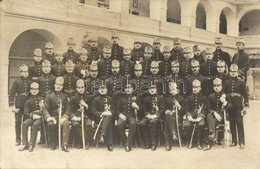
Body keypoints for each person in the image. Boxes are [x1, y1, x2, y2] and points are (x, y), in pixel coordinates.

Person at [223, 64, 249, 149]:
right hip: (230, 105)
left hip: (238, 105)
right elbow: (224, 93)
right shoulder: (226, 82)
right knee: (232, 123)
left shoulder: (241, 82)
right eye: (231, 71)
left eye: (234, 71)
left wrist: (246, 104)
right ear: (229, 72)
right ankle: (234, 141)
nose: (233, 73)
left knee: (239, 123)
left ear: (237, 72)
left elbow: (245, 94)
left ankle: (242, 142)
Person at [43, 77, 71, 152]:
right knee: (50, 124)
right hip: (53, 117)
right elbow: (45, 108)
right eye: (57, 84)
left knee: (66, 123)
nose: (58, 86)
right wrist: (48, 117)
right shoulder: (49, 96)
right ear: (54, 85)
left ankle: (64, 144)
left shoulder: (64, 96)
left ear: (62, 87)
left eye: (60, 85)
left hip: (61, 117)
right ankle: (52, 143)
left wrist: (64, 118)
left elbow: (68, 109)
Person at [9, 64, 33, 146]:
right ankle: (18, 139)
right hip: (19, 104)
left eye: (27, 71)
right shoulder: (16, 82)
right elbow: (12, 94)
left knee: (25, 122)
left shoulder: (30, 82)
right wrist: (12, 105)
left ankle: (24, 139)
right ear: (20, 72)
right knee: (17, 121)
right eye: (23, 71)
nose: (25, 73)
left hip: (27, 105)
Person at [205, 78, 231, 150]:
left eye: (218, 85)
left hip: (222, 115)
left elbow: (229, 108)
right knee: (208, 115)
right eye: (215, 86)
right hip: (213, 116)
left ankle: (210, 139)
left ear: (221, 86)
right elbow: (208, 109)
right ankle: (212, 134)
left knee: (210, 120)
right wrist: (214, 112)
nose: (216, 87)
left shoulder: (226, 96)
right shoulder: (210, 96)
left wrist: (224, 102)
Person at [19, 82, 45, 152]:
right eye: (32, 89)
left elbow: (45, 110)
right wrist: (33, 115)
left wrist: (40, 111)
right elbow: (26, 112)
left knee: (35, 125)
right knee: (24, 124)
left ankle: (31, 145)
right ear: (30, 90)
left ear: (38, 90)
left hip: (39, 118)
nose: (34, 91)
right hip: (32, 117)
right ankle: (25, 143)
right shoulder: (28, 101)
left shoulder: (42, 99)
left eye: (36, 89)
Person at [139, 84, 165, 151]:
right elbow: (144, 110)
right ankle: (148, 142)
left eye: (154, 88)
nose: (152, 90)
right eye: (151, 88)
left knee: (152, 122)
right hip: (148, 115)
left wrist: (156, 115)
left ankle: (154, 143)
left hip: (157, 117)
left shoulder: (160, 98)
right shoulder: (146, 99)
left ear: (156, 90)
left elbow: (162, 109)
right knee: (141, 123)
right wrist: (148, 115)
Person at [116, 84, 141, 152]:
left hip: (132, 116)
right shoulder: (121, 99)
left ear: (132, 89)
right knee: (119, 124)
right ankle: (127, 143)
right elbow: (117, 110)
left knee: (133, 123)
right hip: (123, 116)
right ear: (124, 90)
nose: (127, 89)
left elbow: (141, 110)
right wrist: (120, 115)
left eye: (129, 87)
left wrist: (137, 107)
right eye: (126, 88)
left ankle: (128, 145)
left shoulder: (136, 98)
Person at [70, 79, 94, 149]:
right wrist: (74, 116)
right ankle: (79, 142)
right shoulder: (73, 98)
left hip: (86, 117)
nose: (81, 89)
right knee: (76, 125)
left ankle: (86, 142)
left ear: (84, 88)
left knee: (88, 124)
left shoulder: (88, 97)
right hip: (76, 117)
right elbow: (71, 110)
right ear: (76, 88)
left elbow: (91, 110)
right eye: (79, 87)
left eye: (82, 87)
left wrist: (86, 105)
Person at [184, 79, 207, 150]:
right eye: (193, 87)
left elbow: (205, 109)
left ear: (200, 88)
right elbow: (187, 109)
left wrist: (200, 117)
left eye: (197, 87)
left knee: (201, 124)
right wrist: (189, 116)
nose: (195, 89)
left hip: (200, 117)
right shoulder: (189, 98)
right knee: (187, 125)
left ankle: (199, 142)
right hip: (191, 116)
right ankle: (189, 141)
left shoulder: (203, 98)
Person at [92, 84, 115, 151]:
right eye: (101, 88)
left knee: (108, 118)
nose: (102, 90)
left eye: (104, 88)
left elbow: (114, 111)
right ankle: (110, 145)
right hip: (99, 119)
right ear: (98, 90)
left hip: (109, 117)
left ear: (106, 90)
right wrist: (102, 113)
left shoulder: (110, 99)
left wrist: (110, 112)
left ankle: (102, 135)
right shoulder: (95, 100)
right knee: (109, 124)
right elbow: (94, 111)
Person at [164, 82, 185, 151]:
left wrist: (179, 106)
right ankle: (173, 133)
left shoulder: (181, 99)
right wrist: (167, 111)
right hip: (169, 117)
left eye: (174, 89)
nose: (172, 91)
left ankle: (168, 144)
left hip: (178, 118)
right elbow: (165, 109)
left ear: (177, 90)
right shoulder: (167, 99)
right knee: (167, 116)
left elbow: (183, 112)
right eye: (171, 90)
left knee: (167, 123)